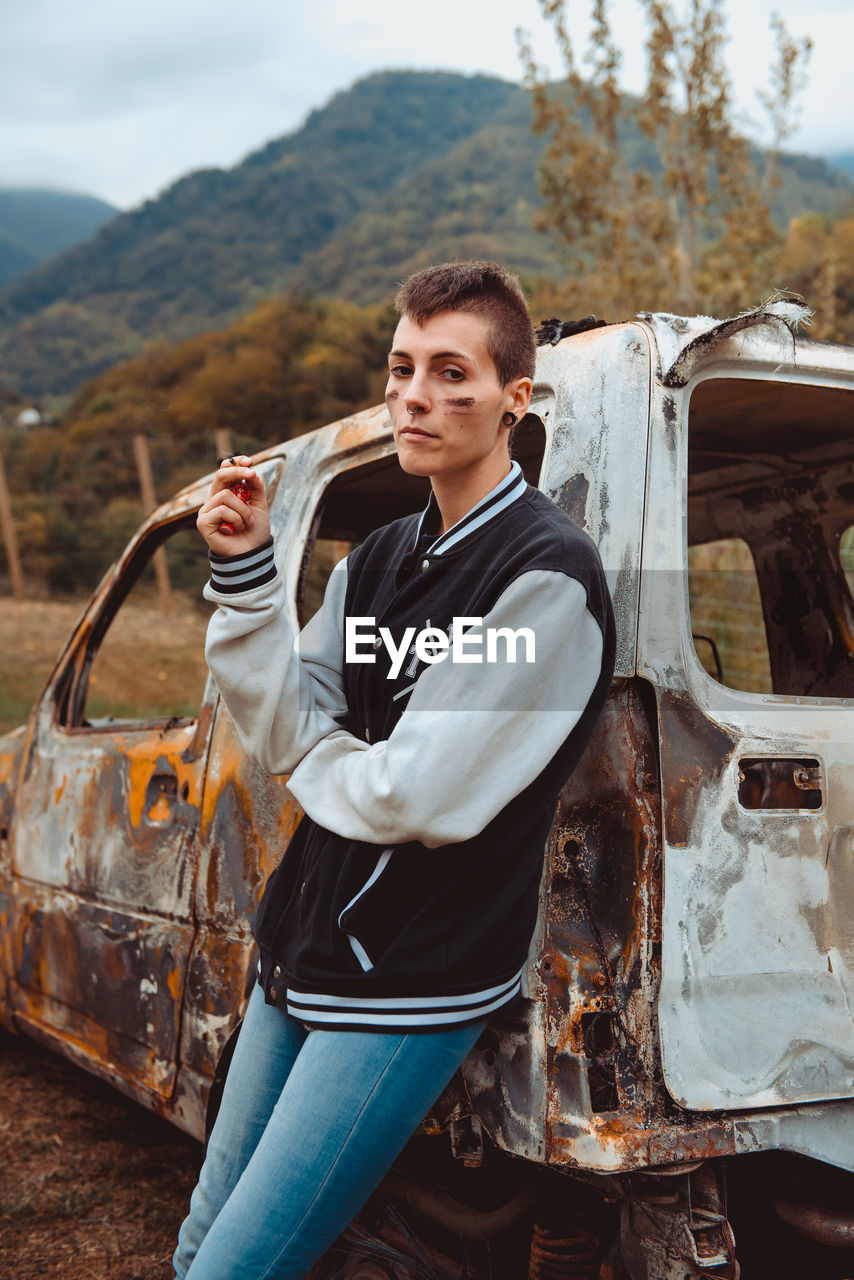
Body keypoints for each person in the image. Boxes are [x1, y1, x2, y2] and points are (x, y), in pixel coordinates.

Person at [174, 260, 616, 1280]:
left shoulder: (544, 578)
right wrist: (247, 578)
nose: (413, 396)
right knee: (200, 1236)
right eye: (400, 367)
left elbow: (415, 794)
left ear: (516, 399)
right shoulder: (377, 557)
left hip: (414, 976)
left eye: (450, 372)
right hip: (304, 941)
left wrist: (314, 753)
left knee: (235, 1264)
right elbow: (289, 708)